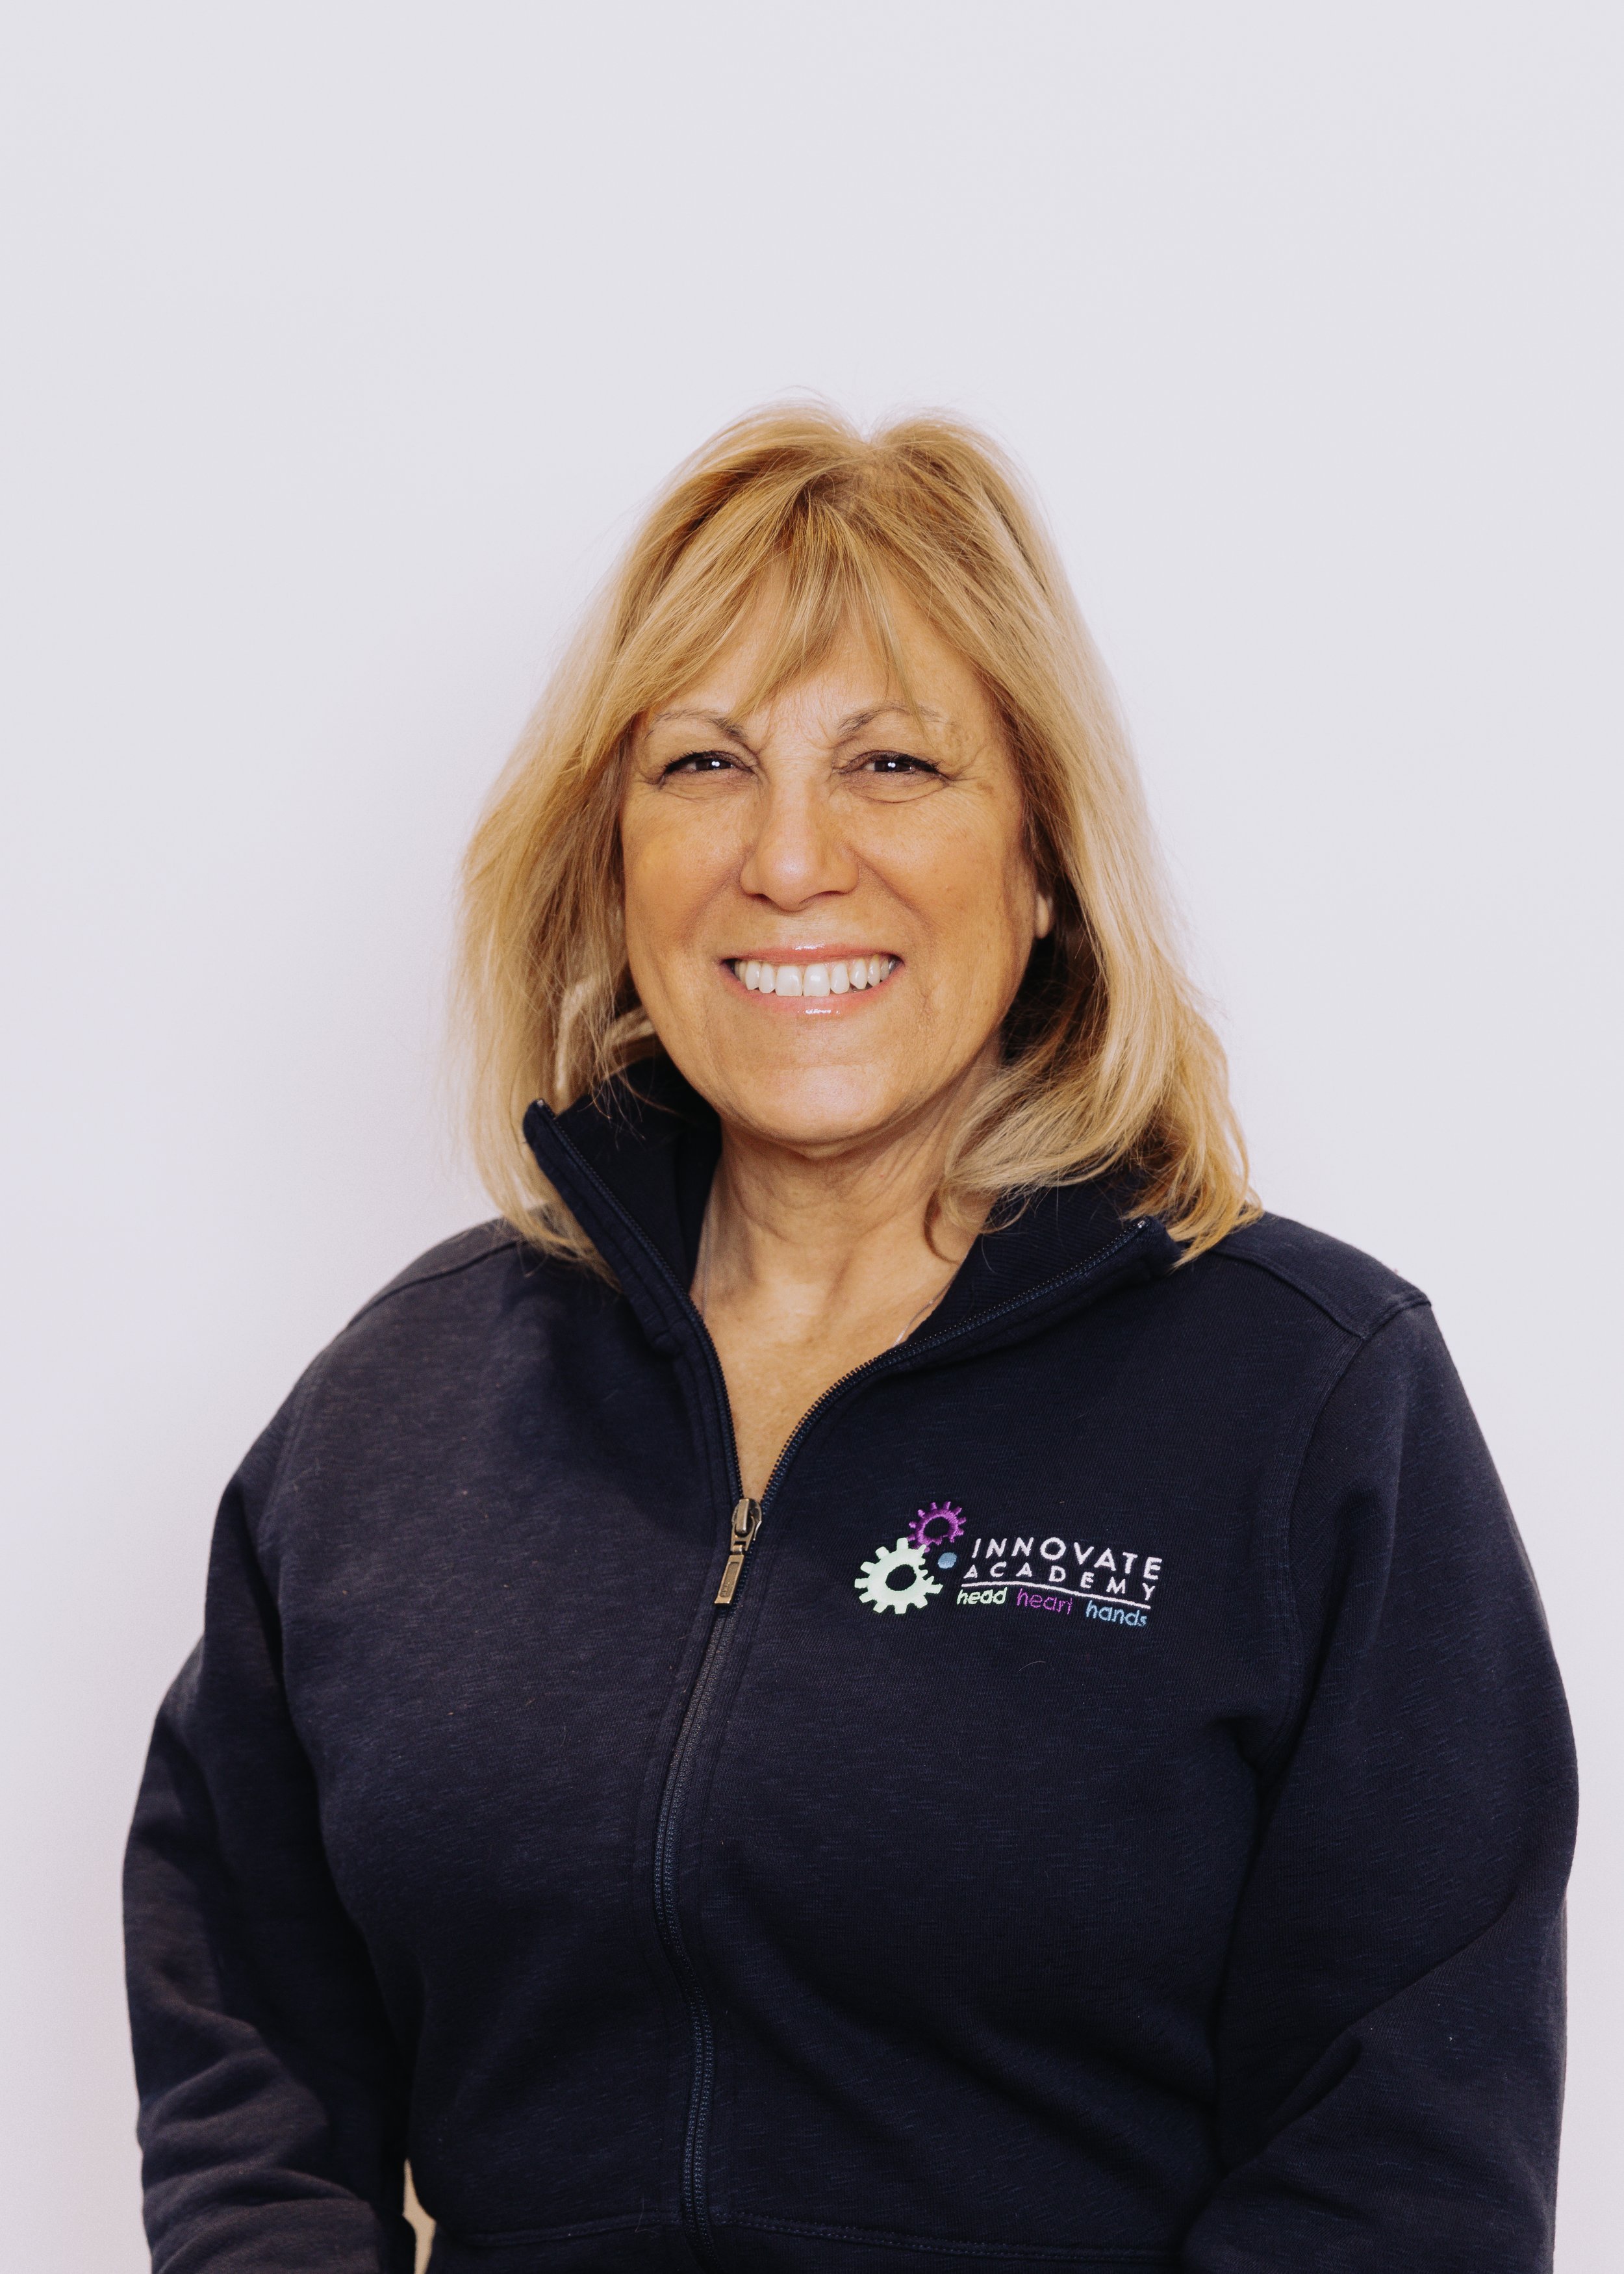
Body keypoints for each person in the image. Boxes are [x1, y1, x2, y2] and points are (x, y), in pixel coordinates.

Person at [125, 406, 1576, 2274]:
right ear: (611, 861)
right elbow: (246, 2029)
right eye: (704, 764)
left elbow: (1400, 2165)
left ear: (1040, 861)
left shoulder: (1309, 1402)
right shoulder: (395, 1416)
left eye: (891, 761)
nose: (789, 856)